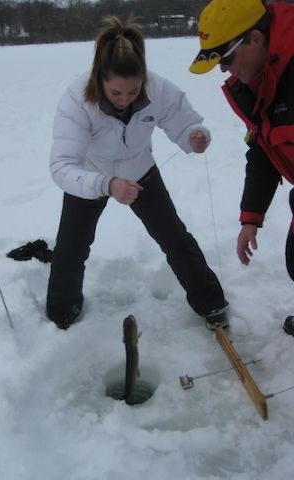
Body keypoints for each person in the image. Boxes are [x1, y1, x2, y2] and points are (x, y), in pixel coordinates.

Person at [47, 15, 228, 330]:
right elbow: (62, 166)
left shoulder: (158, 88)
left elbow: (184, 123)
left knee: (174, 238)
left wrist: (195, 136)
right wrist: (107, 184)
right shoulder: (77, 99)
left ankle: (210, 303)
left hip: (140, 170)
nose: (124, 100)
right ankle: (62, 313)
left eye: (133, 92)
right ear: (99, 79)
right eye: (116, 93)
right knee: (71, 249)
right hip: (90, 176)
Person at [189, 0, 294, 334]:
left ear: (256, 39)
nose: (224, 69)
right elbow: (264, 151)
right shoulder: (259, 83)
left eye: (227, 57)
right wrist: (251, 217)